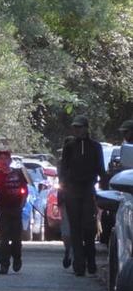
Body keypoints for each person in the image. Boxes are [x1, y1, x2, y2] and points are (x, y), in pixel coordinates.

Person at [60, 115, 106, 277]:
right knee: (75, 229)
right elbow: (63, 168)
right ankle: (79, 264)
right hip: (72, 190)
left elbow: (101, 169)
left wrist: (104, 192)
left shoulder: (95, 147)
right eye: (75, 127)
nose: (77, 130)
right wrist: (63, 187)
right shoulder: (70, 147)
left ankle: (91, 258)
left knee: (89, 227)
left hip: (88, 189)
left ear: (86, 128)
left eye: (80, 127)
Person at [0, 150, 28, 275]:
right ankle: (4, 264)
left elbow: (25, 190)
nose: (4, 161)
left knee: (16, 238)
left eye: (6, 159)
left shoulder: (19, 174)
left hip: (17, 209)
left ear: (10, 161)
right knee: (4, 239)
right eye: (1, 159)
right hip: (3, 210)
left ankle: (17, 259)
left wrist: (22, 204)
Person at [57, 136, 74, 269]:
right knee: (67, 228)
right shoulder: (62, 163)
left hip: (75, 198)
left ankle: (71, 251)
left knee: (69, 228)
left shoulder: (62, 162)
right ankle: (70, 251)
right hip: (66, 198)